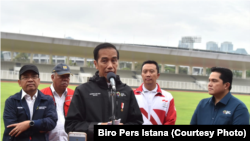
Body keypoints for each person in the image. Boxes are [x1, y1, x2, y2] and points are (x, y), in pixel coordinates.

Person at [65, 43, 143, 141]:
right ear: (96, 64)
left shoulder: (127, 91)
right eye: (104, 61)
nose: (110, 66)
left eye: (114, 60)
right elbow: (71, 125)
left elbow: (137, 123)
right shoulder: (82, 91)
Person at [3, 64, 57, 141]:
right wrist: (40, 127)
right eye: (25, 77)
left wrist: (29, 124)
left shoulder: (48, 100)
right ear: (19, 82)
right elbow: (11, 128)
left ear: (39, 81)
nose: (30, 79)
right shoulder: (11, 101)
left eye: (34, 76)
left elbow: (51, 123)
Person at [134, 60, 176, 125]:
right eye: (145, 72)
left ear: (158, 75)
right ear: (141, 75)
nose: (148, 74)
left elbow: (171, 121)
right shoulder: (132, 95)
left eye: (152, 71)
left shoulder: (168, 97)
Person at [41, 63, 74, 141]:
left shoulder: (74, 94)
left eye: (67, 77)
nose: (65, 79)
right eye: (62, 76)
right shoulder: (42, 94)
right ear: (52, 77)